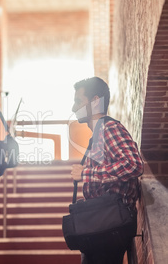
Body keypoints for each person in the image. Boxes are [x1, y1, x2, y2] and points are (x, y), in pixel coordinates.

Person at [70, 77, 144, 264]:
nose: (73, 108)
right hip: (102, 225)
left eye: (79, 101)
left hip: (109, 226)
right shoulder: (98, 134)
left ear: (95, 101)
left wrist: (86, 174)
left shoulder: (109, 128)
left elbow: (134, 164)